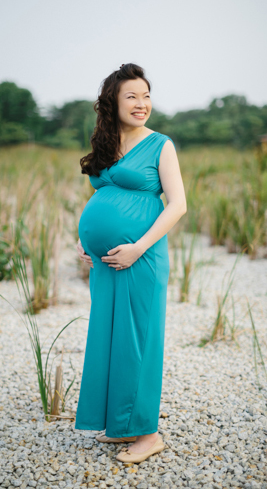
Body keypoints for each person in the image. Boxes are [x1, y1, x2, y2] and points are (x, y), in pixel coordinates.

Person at [74, 63, 186, 464]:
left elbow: (178, 205)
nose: (142, 104)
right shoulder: (106, 145)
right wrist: (85, 242)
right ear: (112, 103)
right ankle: (121, 425)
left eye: (146, 96)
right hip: (105, 264)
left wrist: (138, 247)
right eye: (132, 96)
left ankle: (149, 434)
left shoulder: (160, 144)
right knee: (111, 339)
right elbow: (99, 201)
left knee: (139, 341)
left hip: (142, 258)